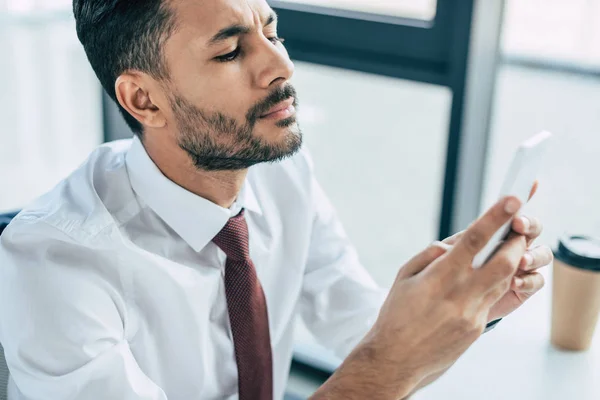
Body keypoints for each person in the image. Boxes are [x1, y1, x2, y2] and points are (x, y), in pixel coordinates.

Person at [0, 0, 553, 399]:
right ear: (144, 99)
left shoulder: (280, 176)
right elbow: (380, 362)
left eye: (271, 31)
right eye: (231, 52)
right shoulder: (53, 265)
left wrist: (466, 304)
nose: (281, 66)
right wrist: (385, 368)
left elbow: (355, 321)